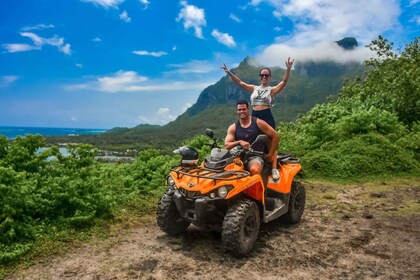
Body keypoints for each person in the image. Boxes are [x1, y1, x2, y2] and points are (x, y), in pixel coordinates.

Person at [220, 57, 295, 129]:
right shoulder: (254, 88)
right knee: (254, 138)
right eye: (262, 75)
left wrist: (288, 69)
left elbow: (284, 82)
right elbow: (240, 82)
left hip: (266, 115)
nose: (264, 77)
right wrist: (229, 72)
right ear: (260, 77)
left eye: (266, 75)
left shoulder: (272, 90)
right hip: (255, 115)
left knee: (268, 138)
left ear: (270, 77)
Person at [225, 100, 280, 180]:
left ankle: (258, 191)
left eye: (244, 109)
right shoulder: (233, 127)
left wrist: (271, 154)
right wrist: (239, 142)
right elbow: (226, 145)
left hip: (255, 155)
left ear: (248, 109)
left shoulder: (258, 123)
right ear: (237, 111)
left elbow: (275, 136)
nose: (241, 111)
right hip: (238, 156)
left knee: (255, 170)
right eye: (239, 110)